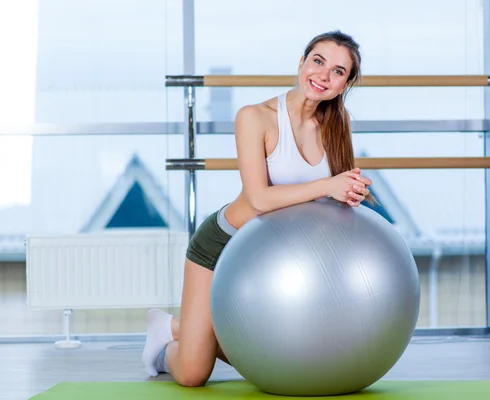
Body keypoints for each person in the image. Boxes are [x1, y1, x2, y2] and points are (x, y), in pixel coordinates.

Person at [142, 30, 373, 387]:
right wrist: (329, 185)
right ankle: (166, 332)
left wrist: (349, 192)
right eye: (318, 61)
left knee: (278, 356)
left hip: (281, 256)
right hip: (223, 244)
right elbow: (259, 199)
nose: (324, 76)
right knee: (192, 374)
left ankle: (189, 329)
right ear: (301, 62)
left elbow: (328, 199)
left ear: (345, 84)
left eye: (338, 71)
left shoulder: (336, 124)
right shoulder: (255, 117)